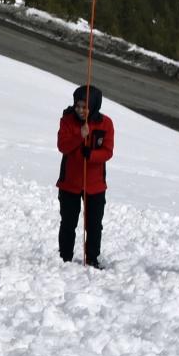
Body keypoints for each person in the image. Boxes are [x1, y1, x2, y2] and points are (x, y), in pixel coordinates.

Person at [55, 85, 113, 267]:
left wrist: (92, 155)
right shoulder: (67, 121)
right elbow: (63, 146)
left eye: (84, 107)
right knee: (68, 223)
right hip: (70, 183)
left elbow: (108, 152)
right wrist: (80, 136)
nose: (80, 110)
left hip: (95, 185)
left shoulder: (106, 124)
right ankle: (65, 257)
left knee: (94, 226)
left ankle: (92, 258)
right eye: (78, 106)